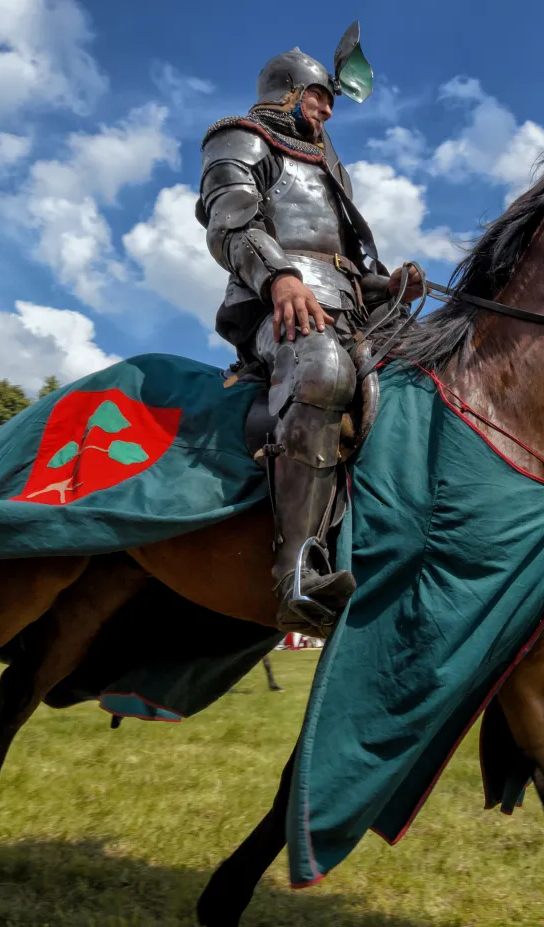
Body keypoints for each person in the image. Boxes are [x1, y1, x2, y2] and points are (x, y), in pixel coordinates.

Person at [198, 26, 424, 634]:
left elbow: (342, 262)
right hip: (277, 309)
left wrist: (388, 286)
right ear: (288, 92)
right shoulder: (239, 137)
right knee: (322, 368)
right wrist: (281, 278)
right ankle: (296, 571)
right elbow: (231, 225)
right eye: (320, 98)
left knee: (433, 378)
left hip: (350, 311)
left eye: (329, 101)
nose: (327, 111)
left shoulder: (331, 168)